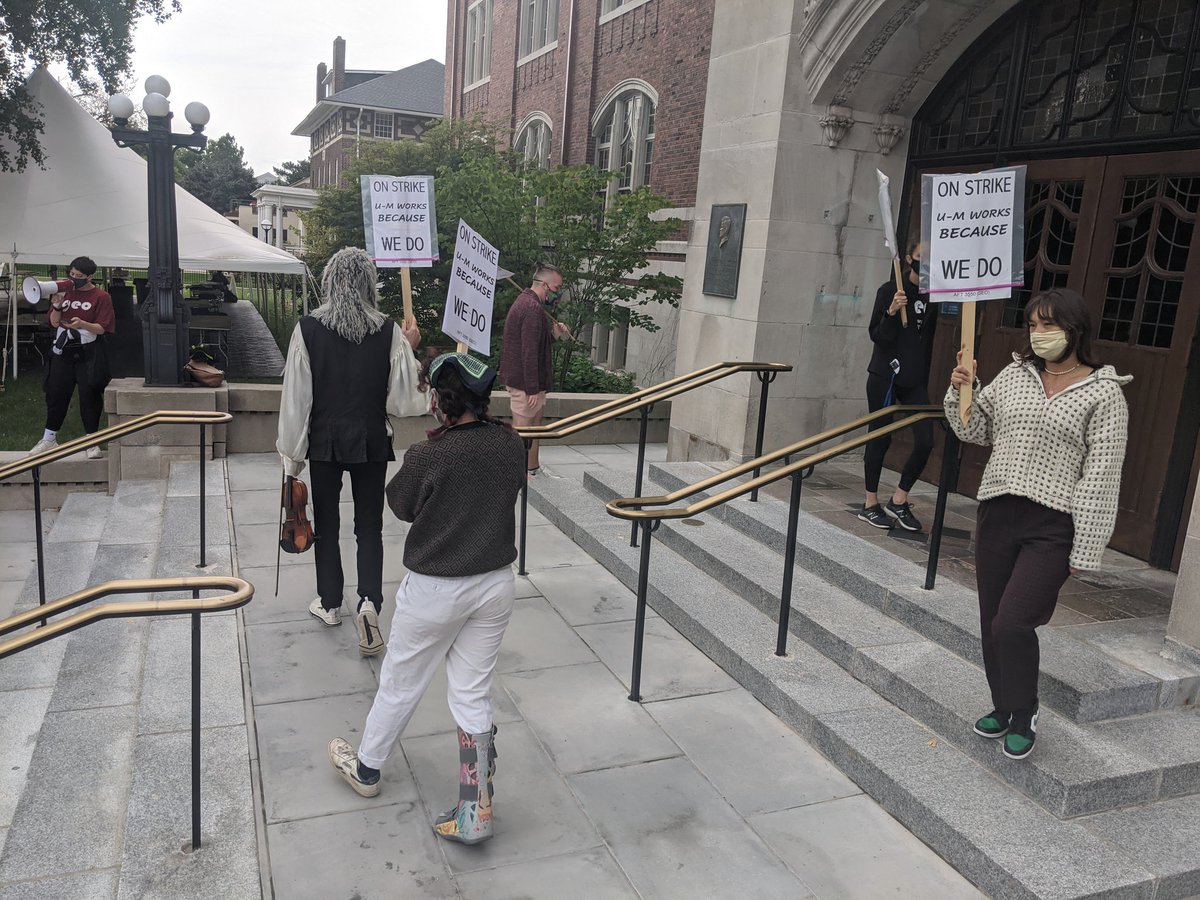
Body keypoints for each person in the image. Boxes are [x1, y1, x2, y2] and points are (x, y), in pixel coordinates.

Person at [327, 352, 527, 846]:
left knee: (401, 681)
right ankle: (474, 807)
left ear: (441, 400)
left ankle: (368, 768)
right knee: (471, 690)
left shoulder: (431, 455)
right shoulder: (510, 444)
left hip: (437, 588)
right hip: (495, 583)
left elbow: (400, 505)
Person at [947, 288, 1130, 761]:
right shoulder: (1014, 375)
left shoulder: (1103, 392)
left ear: (1076, 330)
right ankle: (1003, 707)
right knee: (991, 621)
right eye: (1033, 325)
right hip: (998, 512)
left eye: (1049, 325)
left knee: (1013, 621)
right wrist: (960, 388)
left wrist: (1085, 549)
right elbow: (974, 431)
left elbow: (1102, 475)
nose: (1040, 334)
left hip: (1053, 526)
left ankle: (1024, 711)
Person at [277, 247, 428, 655]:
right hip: (370, 439)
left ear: (329, 281)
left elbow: (297, 400)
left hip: (324, 442)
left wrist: (291, 457)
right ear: (368, 283)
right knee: (369, 527)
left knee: (326, 525)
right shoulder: (388, 330)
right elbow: (405, 403)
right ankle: (369, 602)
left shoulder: (307, 328)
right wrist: (409, 350)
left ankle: (329, 603)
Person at [859, 240, 938, 531]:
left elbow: (925, 341)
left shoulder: (933, 296)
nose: (926, 262)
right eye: (921, 257)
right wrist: (892, 312)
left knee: (926, 440)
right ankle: (869, 503)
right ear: (908, 258)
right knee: (880, 437)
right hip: (885, 376)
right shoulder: (890, 290)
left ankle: (899, 499)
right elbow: (877, 336)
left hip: (913, 379)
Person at [29, 256, 115, 458]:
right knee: (56, 394)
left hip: (87, 353)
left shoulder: (101, 297)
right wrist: (58, 307)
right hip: (62, 353)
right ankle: (49, 438)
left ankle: (91, 441)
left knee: (89, 396)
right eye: (72, 274)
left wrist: (82, 324)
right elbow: (53, 321)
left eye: (79, 276)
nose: (74, 278)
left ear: (90, 277)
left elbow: (102, 328)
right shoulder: (65, 292)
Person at [498, 263, 572, 476]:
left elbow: (536, 344)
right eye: (557, 288)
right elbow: (528, 353)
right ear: (545, 285)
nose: (559, 293)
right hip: (525, 383)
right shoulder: (531, 308)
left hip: (530, 382)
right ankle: (517, 475)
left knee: (535, 427)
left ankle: (532, 469)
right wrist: (531, 388)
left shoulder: (531, 305)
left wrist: (555, 335)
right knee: (523, 431)